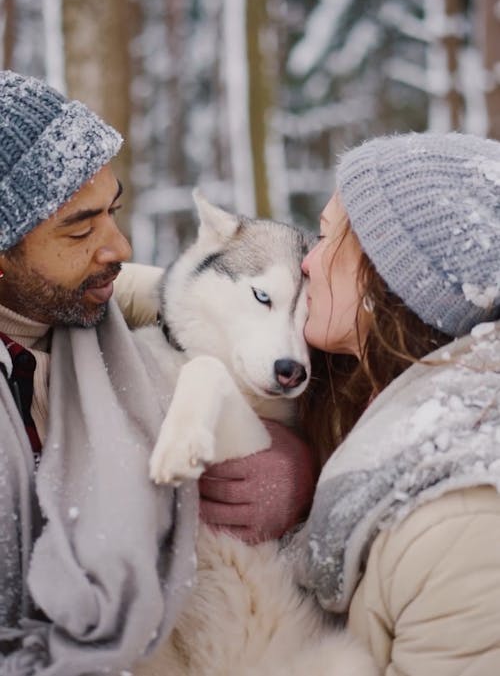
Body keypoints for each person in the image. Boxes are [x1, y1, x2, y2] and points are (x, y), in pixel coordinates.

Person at [0, 70, 315, 675]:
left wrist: (294, 458)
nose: (117, 245)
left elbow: (193, 307)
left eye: (112, 211)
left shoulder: (97, 305)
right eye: (80, 226)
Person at [293, 130, 500, 675]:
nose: (306, 263)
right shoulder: (376, 398)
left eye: (323, 237)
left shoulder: (464, 526)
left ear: (389, 277)